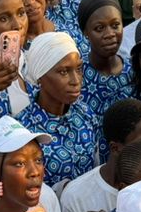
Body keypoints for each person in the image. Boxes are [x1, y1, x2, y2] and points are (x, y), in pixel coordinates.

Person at [16, 31, 95, 188]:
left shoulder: (85, 113)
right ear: (40, 77)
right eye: (63, 72)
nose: (76, 80)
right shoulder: (23, 131)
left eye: (78, 69)